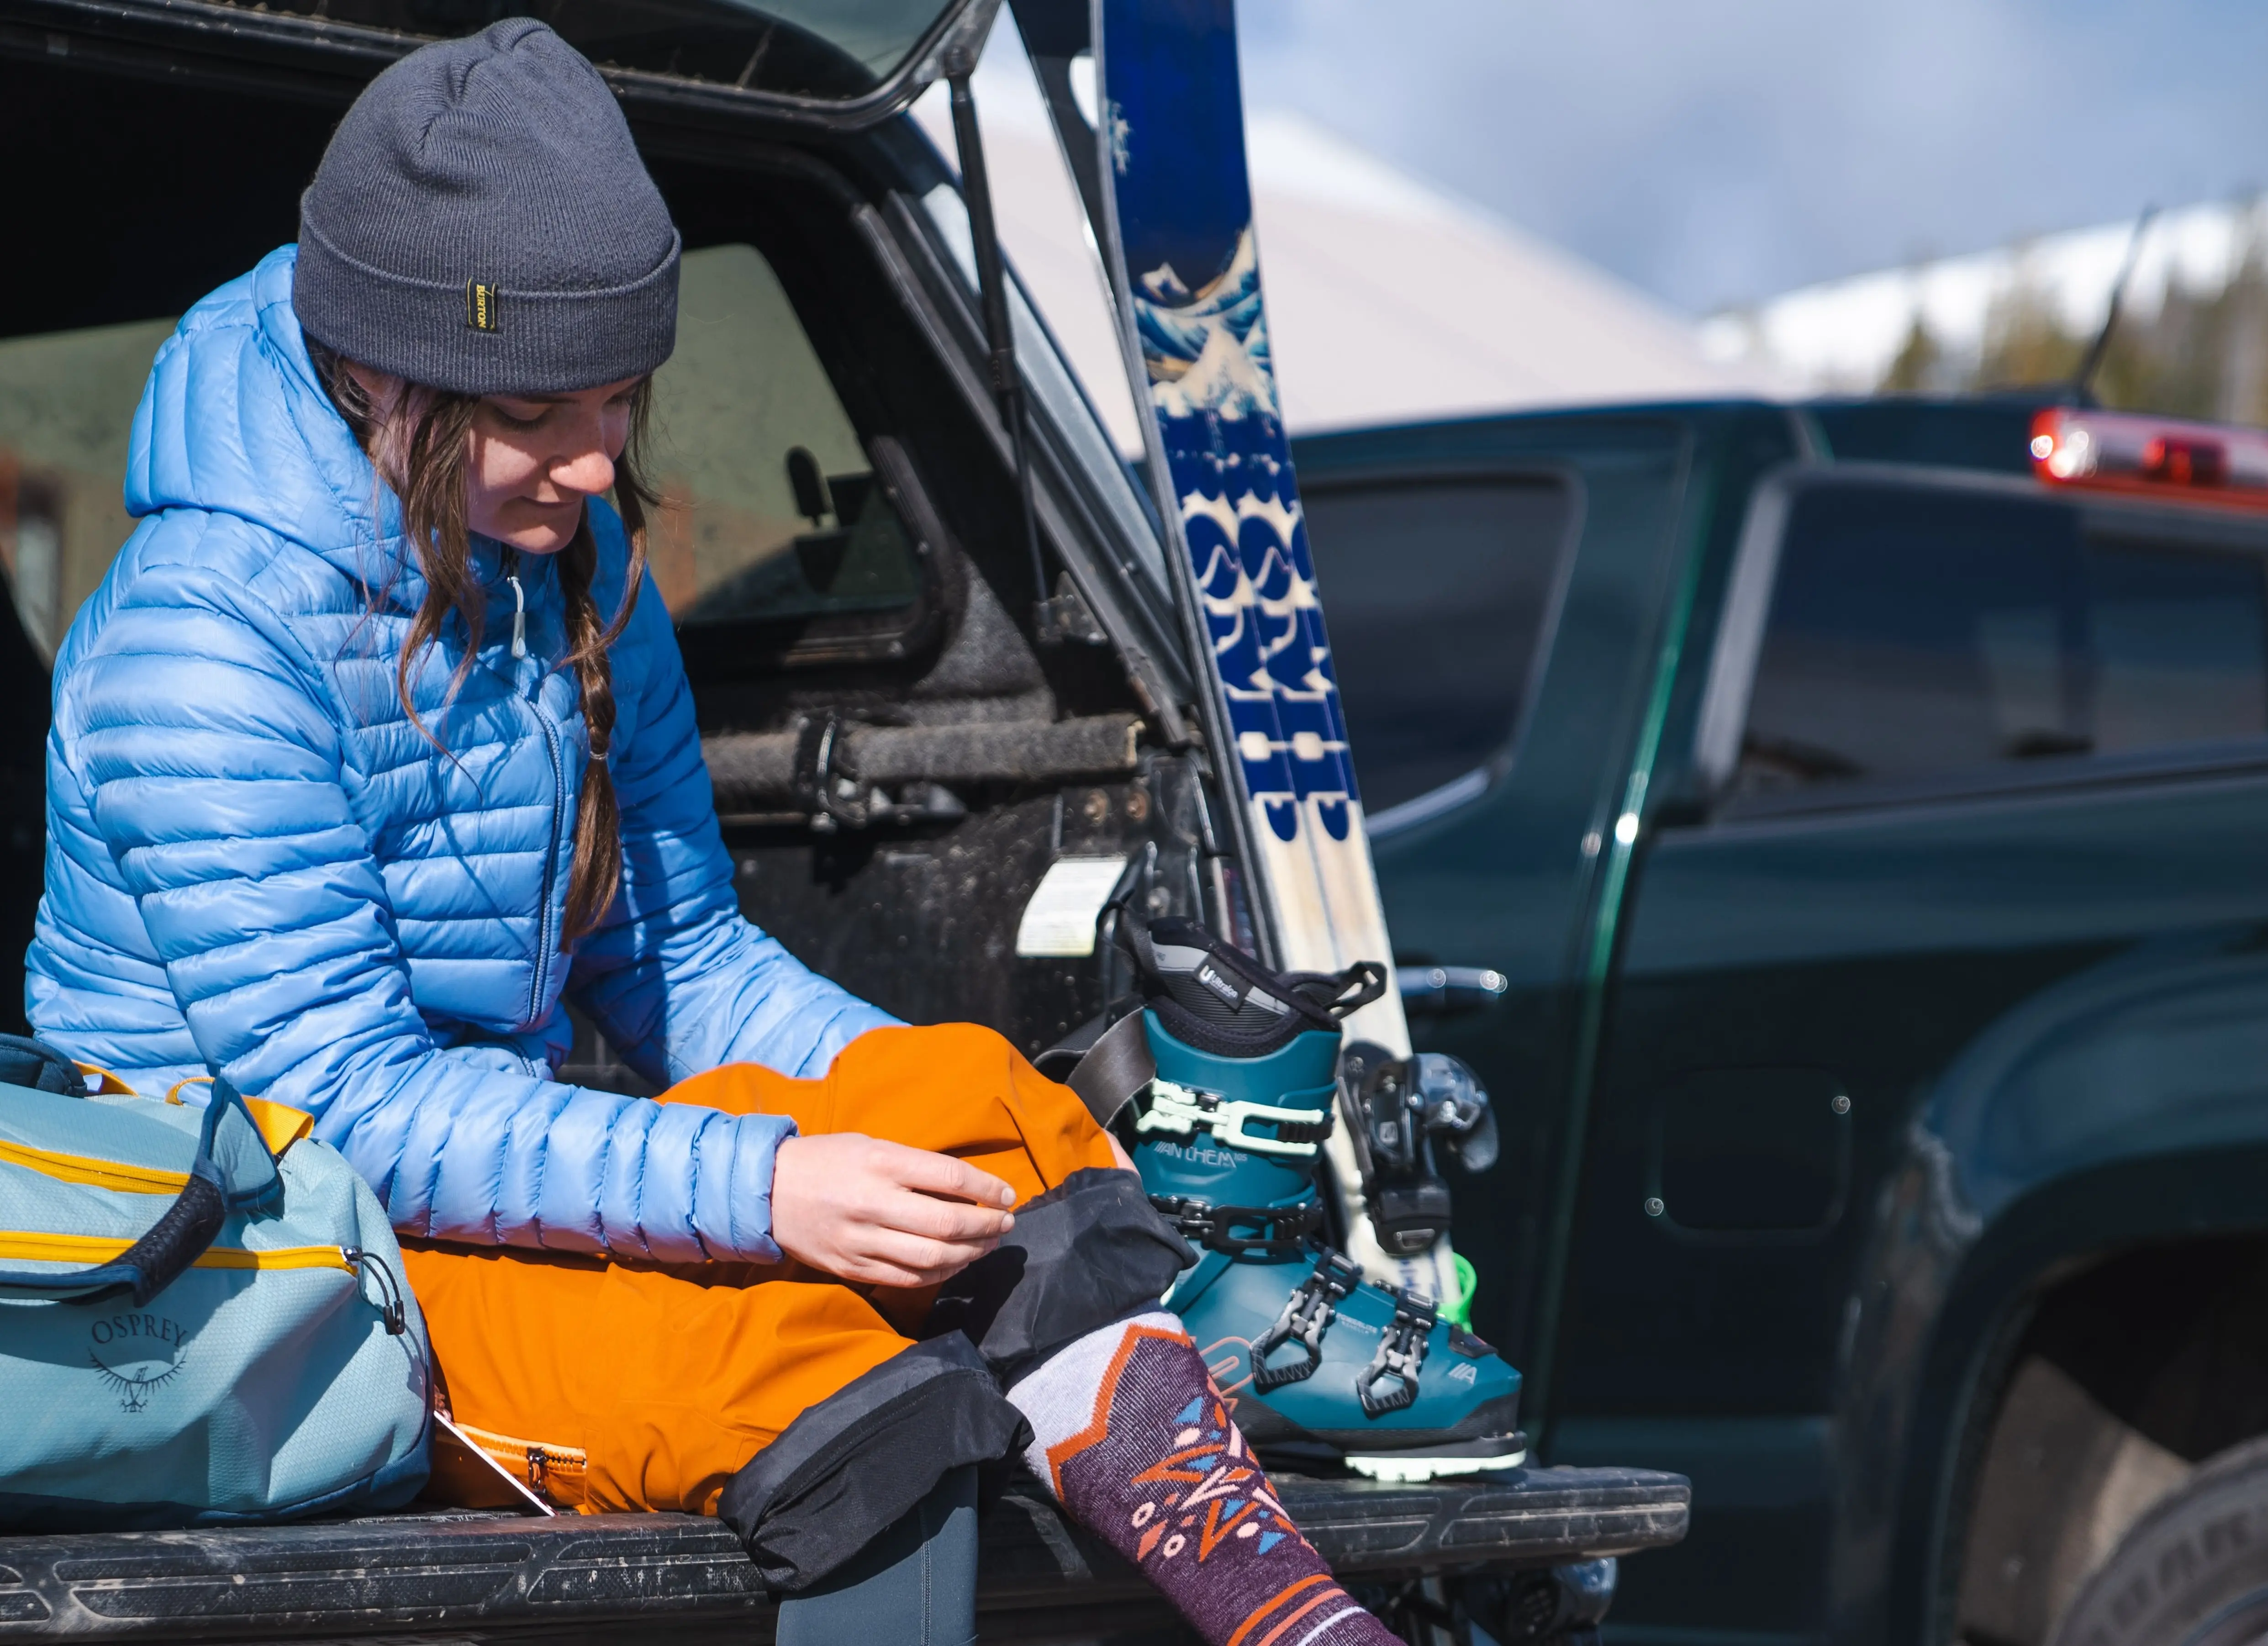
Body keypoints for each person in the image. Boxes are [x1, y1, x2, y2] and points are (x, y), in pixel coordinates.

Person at [26, 20, 1403, 1645]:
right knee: (817, 1381)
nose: (602, 461)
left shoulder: (570, 563)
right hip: (286, 1260)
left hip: (482, 1173)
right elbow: (338, 1109)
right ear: (382, 368)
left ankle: (1281, 1590)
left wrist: (917, 1153)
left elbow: (680, 958)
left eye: (623, 397)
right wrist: (768, 1191)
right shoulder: (201, 641)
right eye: (542, 408)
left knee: (981, 1103)